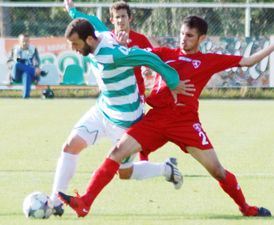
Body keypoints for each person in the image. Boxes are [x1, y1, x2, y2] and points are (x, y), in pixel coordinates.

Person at [57, 16, 274, 217]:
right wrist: (125, 45)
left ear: (202, 38)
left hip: (186, 124)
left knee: (217, 170)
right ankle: (85, 202)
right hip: (155, 119)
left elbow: (247, 61)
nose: (184, 39)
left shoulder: (208, 61)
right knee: (116, 154)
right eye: (182, 34)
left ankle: (246, 208)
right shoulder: (165, 53)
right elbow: (139, 56)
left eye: (190, 36)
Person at [49, 0, 194, 217]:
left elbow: (148, 57)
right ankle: (55, 202)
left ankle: (166, 168)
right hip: (103, 110)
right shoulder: (98, 32)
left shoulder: (113, 55)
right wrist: (72, 10)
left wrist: (172, 80)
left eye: (76, 45)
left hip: (126, 120)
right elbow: (91, 20)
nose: (74, 50)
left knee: (124, 173)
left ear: (89, 40)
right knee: (69, 146)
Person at [7, 34, 47, 98]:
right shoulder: (15, 49)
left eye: (27, 41)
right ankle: (36, 72)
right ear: (19, 41)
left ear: (29, 41)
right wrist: (14, 65)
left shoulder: (33, 49)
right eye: (23, 41)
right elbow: (9, 62)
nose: (25, 43)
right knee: (16, 64)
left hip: (29, 75)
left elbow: (37, 62)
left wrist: (35, 67)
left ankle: (26, 96)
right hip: (16, 75)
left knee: (26, 73)